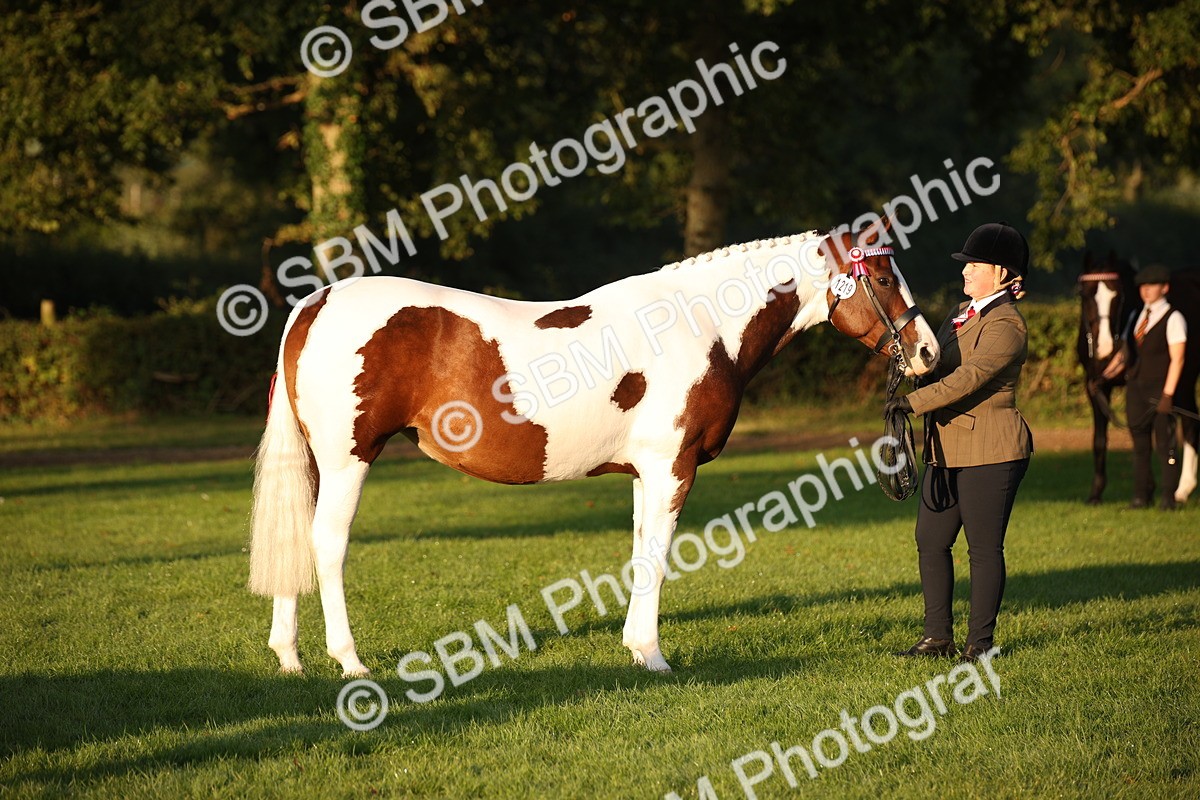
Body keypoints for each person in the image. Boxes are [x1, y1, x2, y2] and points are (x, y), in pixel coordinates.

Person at [884, 222, 1034, 663]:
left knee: (983, 550)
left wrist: (912, 404)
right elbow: (941, 365)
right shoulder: (957, 313)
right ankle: (937, 637)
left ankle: (980, 645)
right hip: (945, 448)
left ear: (1002, 273)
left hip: (993, 450)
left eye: (974, 265)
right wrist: (911, 369)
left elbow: (970, 379)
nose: (965, 271)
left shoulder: (1008, 325)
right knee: (930, 540)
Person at [1101, 264, 1188, 510]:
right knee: (1139, 446)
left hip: (1161, 390)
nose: (1146, 291)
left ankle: (1168, 498)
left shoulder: (1174, 318)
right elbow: (1127, 351)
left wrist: (1168, 394)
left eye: (1152, 286)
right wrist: (1106, 375)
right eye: (1143, 286)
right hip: (1137, 390)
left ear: (1165, 288)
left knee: (1165, 446)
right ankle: (1141, 495)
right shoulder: (1136, 316)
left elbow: (1178, 358)